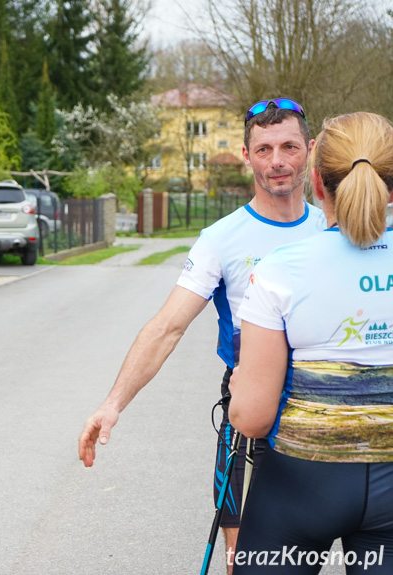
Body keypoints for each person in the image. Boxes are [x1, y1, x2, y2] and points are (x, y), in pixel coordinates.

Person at [77, 98, 325, 573]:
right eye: (265, 148)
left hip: (325, 403)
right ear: (247, 154)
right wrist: (112, 404)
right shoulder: (221, 239)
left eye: (290, 147)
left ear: (309, 150)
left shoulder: (332, 228)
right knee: (246, 560)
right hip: (251, 413)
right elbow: (167, 327)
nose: (278, 161)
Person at [229, 111, 393, 574]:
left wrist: (242, 390)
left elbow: (254, 419)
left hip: (302, 485)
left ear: (317, 183)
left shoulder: (282, 267)